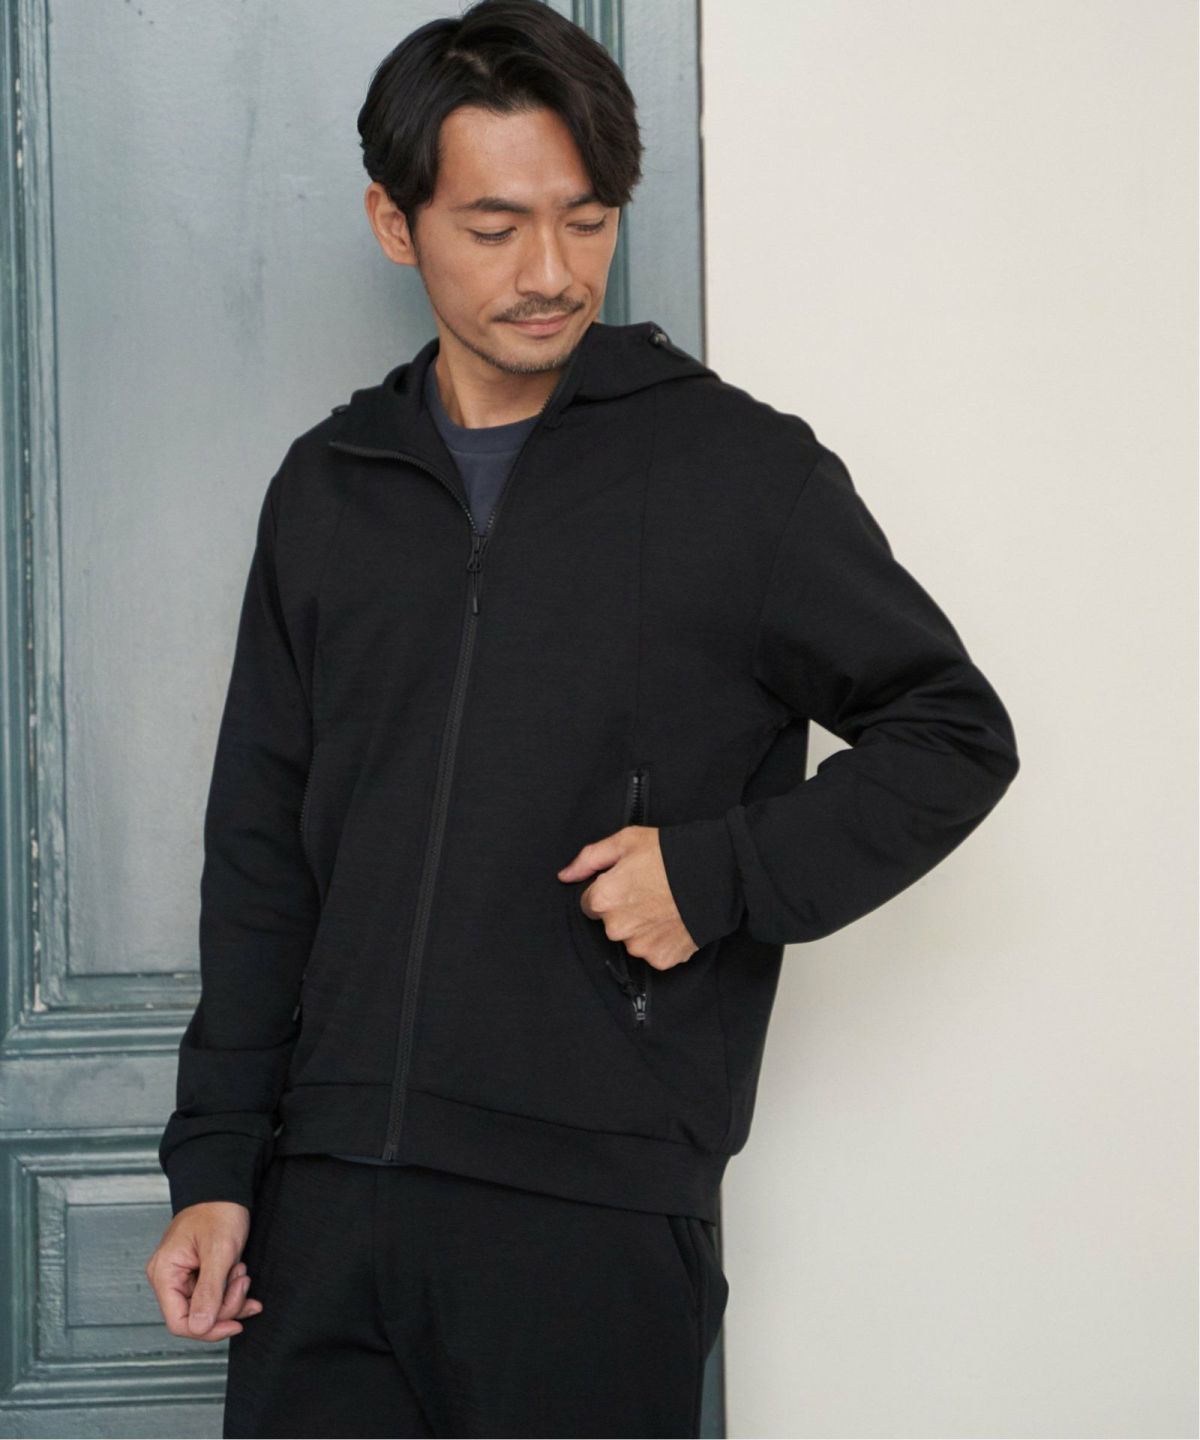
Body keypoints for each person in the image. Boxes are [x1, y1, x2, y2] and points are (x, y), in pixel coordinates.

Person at [144, 1, 1021, 1435]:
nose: (551, 273)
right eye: (494, 227)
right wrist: (219, 1164)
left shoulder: (742, 474)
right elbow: (259, 851)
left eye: (588, 219)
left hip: (590, 1217)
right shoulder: (329, 489)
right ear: (393, 222)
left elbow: (953, 731)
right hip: (321, 1214)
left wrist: (718, 873)